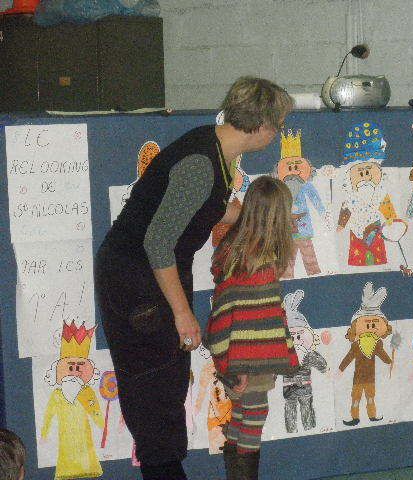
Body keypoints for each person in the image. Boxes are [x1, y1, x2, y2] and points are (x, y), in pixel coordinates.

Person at [94, 77, 293, 480]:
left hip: (152, 273)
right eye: (277, 125)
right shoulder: (202, 166)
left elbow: (196, 211)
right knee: (156, 393)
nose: (277, 134)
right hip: (139, 279)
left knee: (165, 390)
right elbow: (159, 243)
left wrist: (254, 216)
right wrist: (183, 315)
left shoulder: (214, 151)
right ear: (261, 126)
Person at [205, 176, 300, 480]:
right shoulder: (257, 265)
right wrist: (238, 367)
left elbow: (234, 314)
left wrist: (230, 364)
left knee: (242, 417)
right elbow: (243, 318)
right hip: (249, 362)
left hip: (241, 360)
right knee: (254, 417)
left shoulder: (241, 255)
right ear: (276, 218)